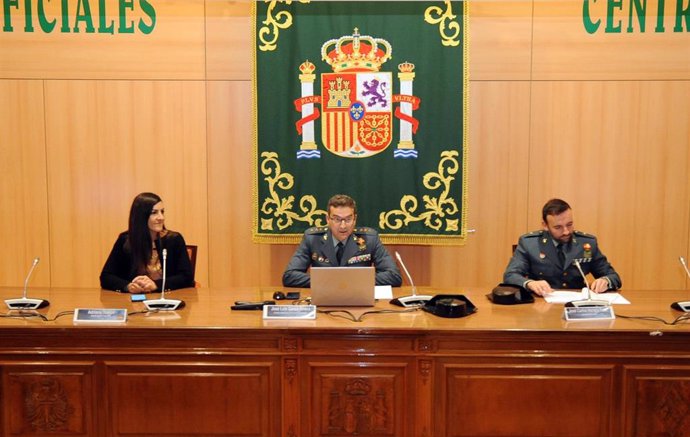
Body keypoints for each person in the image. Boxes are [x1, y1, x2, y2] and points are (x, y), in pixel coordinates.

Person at [503, 198, 621, 296]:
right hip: (540, 305)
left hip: (576, 306)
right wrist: (530, 283)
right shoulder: (529, 243)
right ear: (545, 225)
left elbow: (613, 277)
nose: (566, 232)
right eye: (558, 227)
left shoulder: (586, 244)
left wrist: (605, 281)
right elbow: (510, 275)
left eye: (569, 225)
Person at [282, 194, 402, 288]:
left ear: (355, 219)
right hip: (324, 301)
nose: (343, 226)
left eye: (348, 219)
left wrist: (353, 282)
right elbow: (290, 276)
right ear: (328, 219)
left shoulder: (369, 239)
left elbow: (394, 276)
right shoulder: (312, 238)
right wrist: (329, 282)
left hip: (358, 300)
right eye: (337, 219)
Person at [100, 192, 195, 293]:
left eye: (162, 212)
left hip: (167, 301)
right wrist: (127, 286)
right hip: (134, 302)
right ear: (141, 216)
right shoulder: (126, 240)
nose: (161, 217)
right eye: (154, 213)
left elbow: (187, 277)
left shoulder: (174, 239)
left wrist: (156, 285)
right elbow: (106, 277)